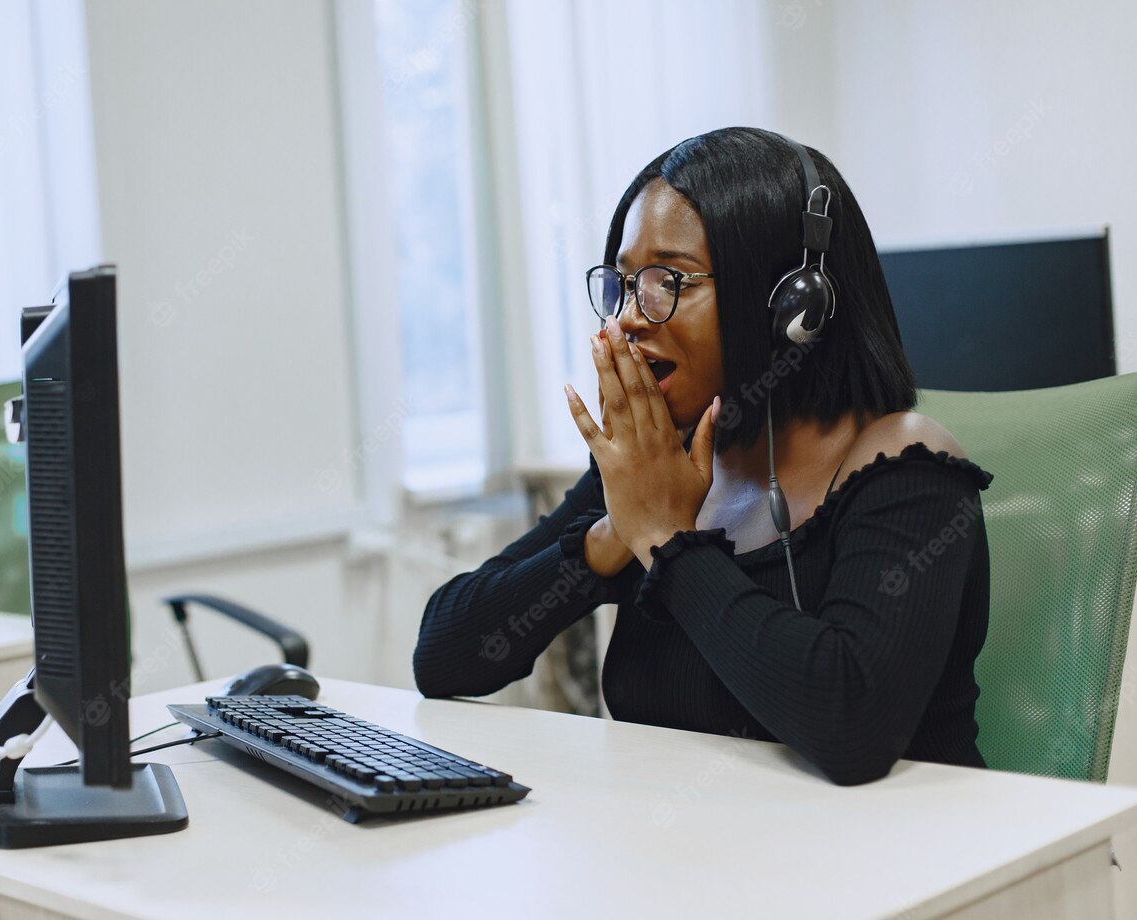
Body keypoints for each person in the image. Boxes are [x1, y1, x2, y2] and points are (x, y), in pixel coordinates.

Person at [412, 127, 993, 786]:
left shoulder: (906, 465)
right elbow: (442, 655)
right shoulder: (654, 468)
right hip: (691, 861)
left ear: (791, 305)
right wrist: (612, 536)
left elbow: (849, 725)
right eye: (624, 284)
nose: (627, 318)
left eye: (668, 281)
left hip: (900, 869)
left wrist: (665, 539)